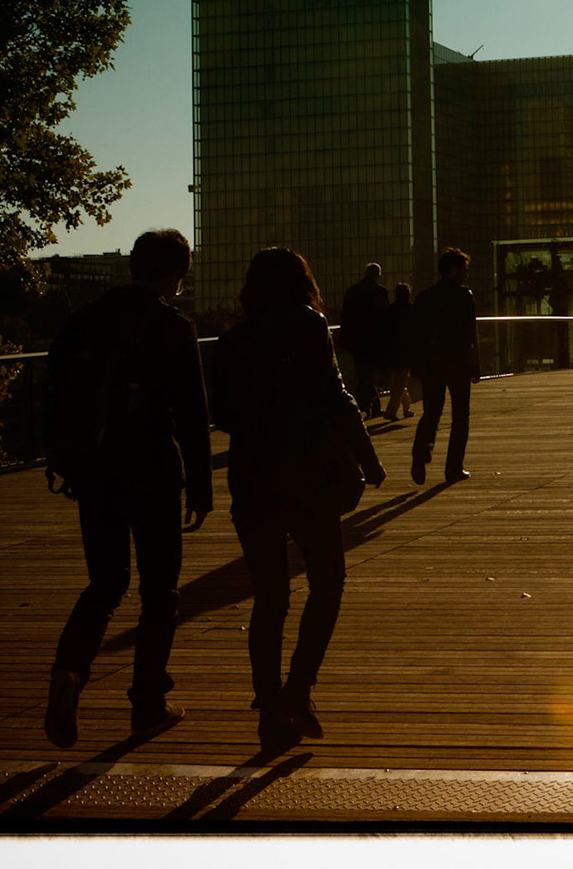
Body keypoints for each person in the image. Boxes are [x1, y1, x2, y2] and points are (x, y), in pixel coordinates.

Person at [212, 247, 387, 748]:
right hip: (309, 476)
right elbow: (336, 396)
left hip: (253, 479)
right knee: (327, 583)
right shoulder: (308, 325)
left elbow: (222, 415)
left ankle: (269, 708)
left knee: (270, 597)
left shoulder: (233, 339)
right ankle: (298, 688)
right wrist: (367, 457)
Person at [44, 230, 212, 748]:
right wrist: (201, 485)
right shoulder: (172, 326)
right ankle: (147, 703)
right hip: (153, 467)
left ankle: (70, 670)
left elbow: (57, 394)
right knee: (160, 589)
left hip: (95, 469)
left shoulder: (84, 320)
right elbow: (192, 413)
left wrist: (62, 456)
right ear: (174, 274)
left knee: (105, 582)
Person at [413, 247, 480, 486]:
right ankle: (453, 468)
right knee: (460, 416)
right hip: (458, 362)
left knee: (432, 412)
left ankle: (420, 453)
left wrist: (417, 365)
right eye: (463, 269)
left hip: (432, 363)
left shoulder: (424, 297)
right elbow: (471, 333)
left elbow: (416, 335)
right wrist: (475, 364)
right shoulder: (464, 296)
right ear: (453, 270)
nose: (465, 274)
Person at [337, 263, 391, 417]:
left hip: (357, 340)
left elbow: (346, 317)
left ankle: (366, 405)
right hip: (374, 341)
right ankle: (369, 405)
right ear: (378, 274)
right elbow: (384, 318)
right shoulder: (380, 292)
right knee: (370, 375)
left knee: (362, 374)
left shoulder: (352, 291)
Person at [384, 282, 419, 419]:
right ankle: (391, 411)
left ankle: (406, 406)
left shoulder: (390, 310)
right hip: (406, 351)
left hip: (392, 351)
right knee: (400, 382)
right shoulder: (412, 310)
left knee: (397, 382)